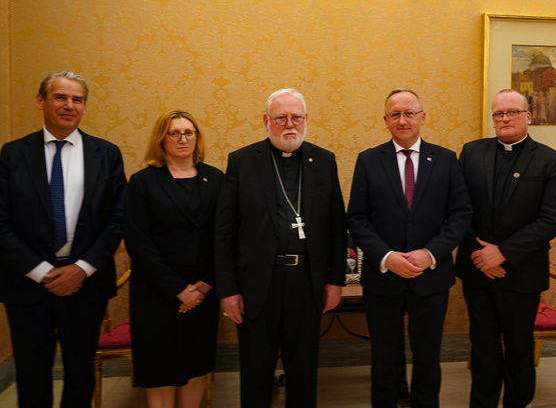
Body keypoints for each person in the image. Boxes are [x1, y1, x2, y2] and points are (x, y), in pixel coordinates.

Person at [0, 70, 126, 407]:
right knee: (31, 374)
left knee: (80, 373)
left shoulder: (107, 154)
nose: (69, 105)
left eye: (77, 99)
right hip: (26, 285)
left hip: (85, 285)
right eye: (60, 97)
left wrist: (81, 269)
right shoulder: (12, 155)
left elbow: (118, 218)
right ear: (41, 101)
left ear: (84, 107)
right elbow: (1, 223)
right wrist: (42, 272)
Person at [214, 88, 347, 408]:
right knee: (256, 372)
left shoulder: (324, 160)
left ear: (306, 120)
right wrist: (228, 290)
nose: (290, 125)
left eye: (296, 118)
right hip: (258, 282)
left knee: (303, 371)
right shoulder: (242, 161)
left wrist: (335, 280)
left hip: (307, 281)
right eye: (281, 118)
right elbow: (224, 232)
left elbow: (336, 227)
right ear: (265, 121)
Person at [346, 88, 472, 408]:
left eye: (409, 113)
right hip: (383, 279)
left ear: (423, 117)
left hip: (431, 278)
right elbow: (357, 220)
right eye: (395, 115)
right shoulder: (369, 160)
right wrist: (387, 257)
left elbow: (460, 216)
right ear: (385, 121)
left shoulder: (445, 159)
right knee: (384, 359)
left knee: (428, 358)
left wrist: (430, 253)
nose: (403, 120)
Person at [457, 89, 556, 408]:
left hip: (521, 272)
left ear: (528, 116)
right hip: (477, 271)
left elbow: (551, 219)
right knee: (483, 347)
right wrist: (480, 254)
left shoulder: (551, 160)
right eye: (498, 114)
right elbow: (457, 208)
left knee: (520, 349)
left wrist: (501, 253)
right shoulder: (471, 152)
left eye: (512, 112)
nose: (504, 119)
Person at [123, 110, 223, 408]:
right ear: (161, 139)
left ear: (197, 138)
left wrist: (205, 285)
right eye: (174, 133)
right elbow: (138, 241)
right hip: (157, 293)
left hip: (203, 290)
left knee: (195, 363)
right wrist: (178, 289)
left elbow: (226, 237)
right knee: (159, 368)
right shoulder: (143, 182)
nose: (183, 139)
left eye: (189, 132)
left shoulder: (216, 179)